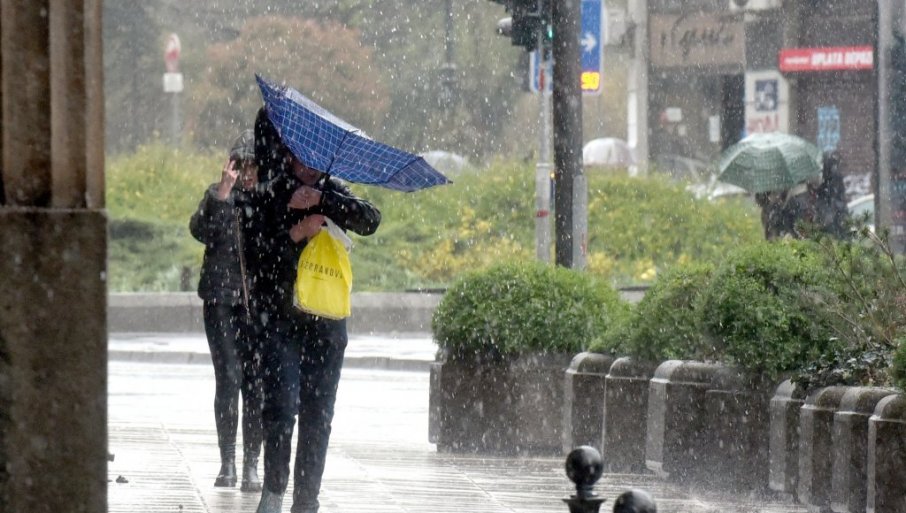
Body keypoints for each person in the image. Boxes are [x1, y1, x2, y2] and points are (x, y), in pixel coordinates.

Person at [251, 108, 381, 513]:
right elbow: (258, 255)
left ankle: (306, 500)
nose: (306, 164)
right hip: (282, 323)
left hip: (327, 325)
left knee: (318, 414)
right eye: (299, 154)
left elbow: (370, 219)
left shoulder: (335, 192)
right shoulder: (272, 193)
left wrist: (323, 201)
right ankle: (273, 490)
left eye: (315, 156)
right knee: (282, 406)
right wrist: (296, 232)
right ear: (288, 153)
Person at [189, 129, 264, 492]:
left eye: (253, 167)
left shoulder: (266, 202)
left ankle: (252, 463)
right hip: (220, 300)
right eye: (242, 166)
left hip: (256, 306)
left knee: (255, 382)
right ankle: (228, 462)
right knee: (229, 377)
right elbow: (202, 231)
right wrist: (223, 192)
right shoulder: (217, 197)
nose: (247, 174)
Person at [815, 151, 850, 238]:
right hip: (833, 215)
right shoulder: (830, 178)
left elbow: (838, 196)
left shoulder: (833, 177)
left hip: (834, 214)